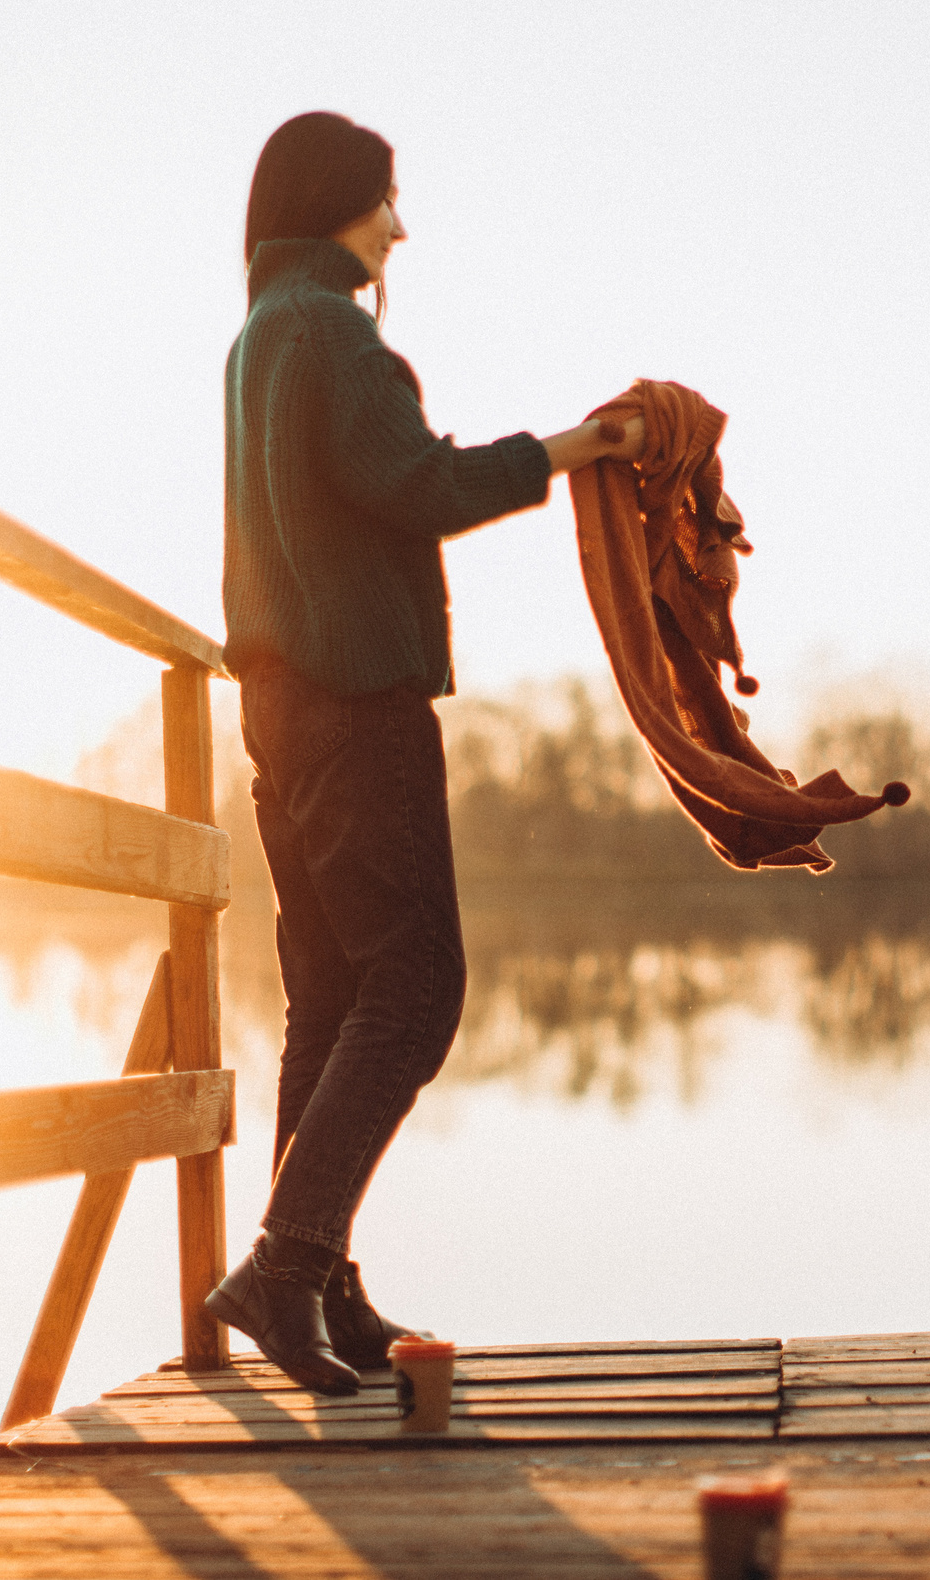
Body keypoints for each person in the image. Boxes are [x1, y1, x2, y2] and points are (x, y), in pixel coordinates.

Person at [207, 112, 645, 1394]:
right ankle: (285, 1266)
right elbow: (418, 487)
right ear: (336, 202)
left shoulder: (259, 336)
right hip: (356, 698)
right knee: (414, 988)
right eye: (385, 200)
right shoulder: (330, 333)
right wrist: (571, 450)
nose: (400, 227)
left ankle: (316, 1284)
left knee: (332, 998)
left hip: (279, 707)